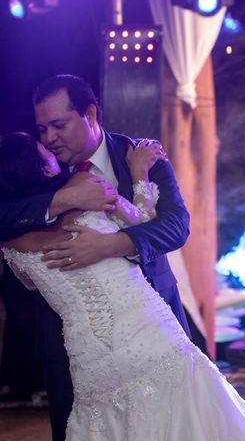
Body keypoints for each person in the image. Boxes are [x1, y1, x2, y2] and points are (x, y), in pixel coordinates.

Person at [0, 132, 245, 440]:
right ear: (45, 169)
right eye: (44, 145)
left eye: (56, 126)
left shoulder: (13, 248)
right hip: (146, 330)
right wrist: (139, 172)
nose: (51, 141)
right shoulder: (88, 194)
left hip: (91, 355)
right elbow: (144, 220)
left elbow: (30, 283)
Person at [0, 74, 192, 441]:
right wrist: (64, 200)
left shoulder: (141, 155)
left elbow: (176, 226)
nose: (49, 138)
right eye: (42, 130)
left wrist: (112, 244)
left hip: (151, 331)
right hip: (73, 351)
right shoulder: (42, 175)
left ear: (90, 114)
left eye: (59, 125)